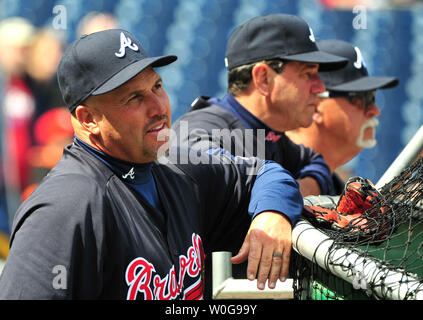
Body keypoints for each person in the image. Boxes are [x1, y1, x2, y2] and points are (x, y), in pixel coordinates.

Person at [0, 29, 304, 299]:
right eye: (133, 98)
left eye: (157, 86)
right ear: (88, 119)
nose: (158, 107)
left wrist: (272, 212)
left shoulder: (179, 166)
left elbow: (264, 172)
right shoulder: (64, 210)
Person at [172, 13, 348, 198]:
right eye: (307, 74)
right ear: (263, 79)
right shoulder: (199, 130)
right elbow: (212, 174)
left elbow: (316, 162)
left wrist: (305, 188)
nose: (320, 88)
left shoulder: (267, 132)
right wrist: (289, 192)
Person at [286, 39, 398, 193]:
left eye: (372, 97)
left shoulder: (341, 184)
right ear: (315, 106)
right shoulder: (259, 167)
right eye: (362, 98)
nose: (374, 110)